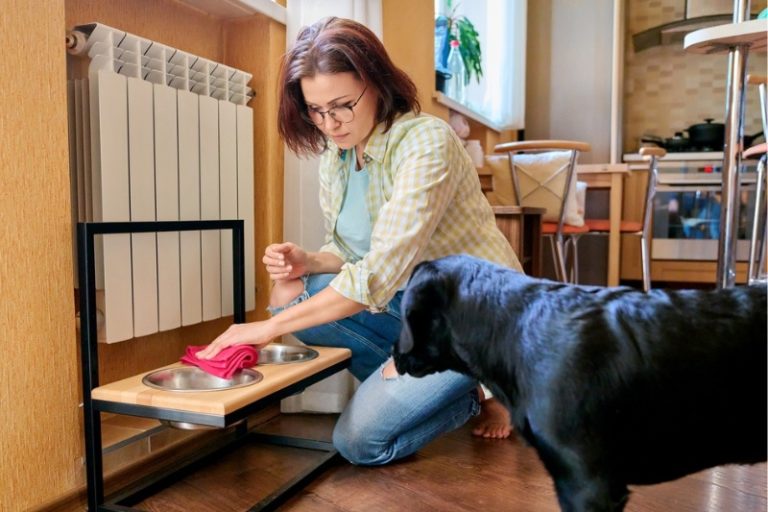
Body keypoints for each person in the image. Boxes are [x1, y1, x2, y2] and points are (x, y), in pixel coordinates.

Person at [196, 16, 523, 464]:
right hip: (412, 308)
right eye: (316, 110)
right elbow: (350, 252)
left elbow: (376, 272)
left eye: (342, 105)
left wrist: (264, 329)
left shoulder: (426, 142)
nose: (329, 124)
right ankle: (425, 384)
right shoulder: (339, 156)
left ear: (376, 82)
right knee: (290, 295)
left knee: (359, 443)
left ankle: (480, 384)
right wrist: (308, 261)